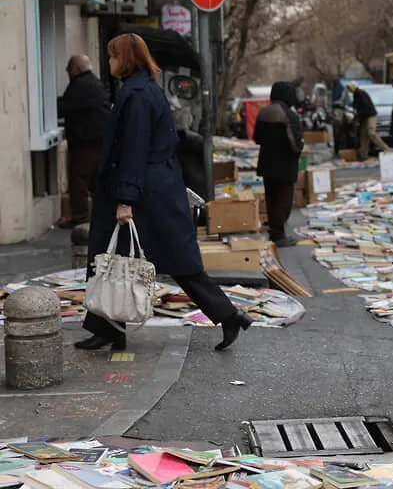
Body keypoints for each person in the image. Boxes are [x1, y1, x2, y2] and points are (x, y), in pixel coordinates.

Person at [74, 33, 253, 352]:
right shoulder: (140, 90)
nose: (110, 61)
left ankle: (228, 315)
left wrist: (125, 198)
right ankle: (107, 327)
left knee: (160, 260)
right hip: (152, 189)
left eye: (113, 56)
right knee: (113, 258)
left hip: (145, 194)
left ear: (127, 59)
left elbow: (134, 148)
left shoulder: (138, 94)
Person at [57, 55, 109, 228]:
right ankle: (104, 214)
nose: (68, 73)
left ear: (77, 69)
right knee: (95, 180)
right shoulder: (94, 82)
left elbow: (64, 107)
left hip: (85, 141)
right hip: (97, 138)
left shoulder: (80, 85)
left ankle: (80, 217)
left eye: (69, 69)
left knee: (78, 179)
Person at [254, 81, 305, 247]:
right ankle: (278, 234)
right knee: (284, 200)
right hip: (284, 164)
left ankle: (275, 231)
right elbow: (295, 143)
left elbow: (256, 138)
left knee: (271, 198)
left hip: (266, 162)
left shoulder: (263, 112)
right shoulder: (288, 114)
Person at [349, 82, 388, 158]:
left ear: (353, 87)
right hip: (364, 116)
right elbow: (357, 107)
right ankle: (363, 155)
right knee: (364, 135)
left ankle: (386, 148)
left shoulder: (360, 94)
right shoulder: (356, 95)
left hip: (370, 115)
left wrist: (357, 119)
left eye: (350, 88)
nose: (349, 90)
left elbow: (365, 108)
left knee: (371, 133)